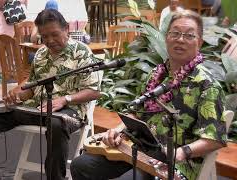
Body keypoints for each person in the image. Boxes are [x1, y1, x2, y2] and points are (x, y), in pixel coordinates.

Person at [71, 10, 227, 180]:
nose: (180, 39)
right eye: (175, 33)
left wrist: (182, 152)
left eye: (189, 35)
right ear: (166, 38)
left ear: (200, 42)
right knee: (81, 166)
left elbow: (214, 139)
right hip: (137, 150)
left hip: (175, 162)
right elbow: (136, 113)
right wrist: (117, 131)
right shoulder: (156, 74)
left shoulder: (207, 85)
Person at [0, 9, 101, 180]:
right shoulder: (40, 53)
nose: (49, 40)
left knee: (56, 125)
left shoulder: (82, 52)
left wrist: (64, 100)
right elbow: (31, 87)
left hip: (69, 111)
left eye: (54, 34)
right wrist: (16, 94)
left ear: (66, 29)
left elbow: (94, 91)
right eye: (45, 36)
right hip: (37, 108)